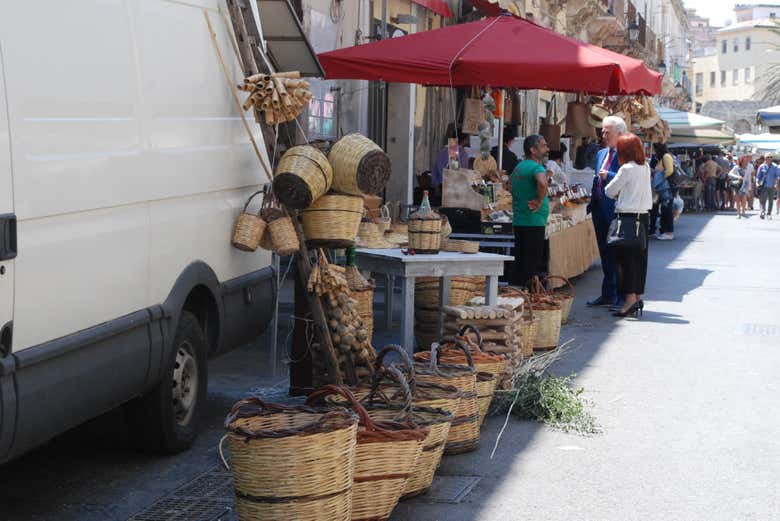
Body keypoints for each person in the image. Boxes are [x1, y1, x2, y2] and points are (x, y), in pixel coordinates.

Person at [604, 133, 652, 319]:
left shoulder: (626, 169)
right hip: (643, 217)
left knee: (625, 261)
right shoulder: (645, 167)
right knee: (639, 260)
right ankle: (636, 296)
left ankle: (629, 299)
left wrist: (620, 193)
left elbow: (609, 191)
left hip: (626, 218)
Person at [586, 116, 625, 309]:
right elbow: (597, 180)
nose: (603, 134)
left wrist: (607, 176)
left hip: (615, 210)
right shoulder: (601, 153)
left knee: (616, 255)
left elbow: (626, 179)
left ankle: (617, 294)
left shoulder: (626, 153)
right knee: (604, 254)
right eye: (602, 131)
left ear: (619, 133)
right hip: (599, 209)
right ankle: (607, 293)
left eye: (606, 131)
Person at [511, 134, 550, 288]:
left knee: (522, 260)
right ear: (533, 150)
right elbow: (542, 182)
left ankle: (520, 294)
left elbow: (509, 186)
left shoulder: (519, 167)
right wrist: (539, 200)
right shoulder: (536, 167)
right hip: (533, 221)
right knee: (532, 263)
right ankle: (530, 298)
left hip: (521, 219)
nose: (547, 149)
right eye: (543, 146)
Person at [649, 142, 675, 240]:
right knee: (663, 209)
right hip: (663, 188)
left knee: (667, 210)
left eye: (655, 149)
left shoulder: (666, 156)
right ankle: (664, 231)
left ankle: (668, 232)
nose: (654, 152)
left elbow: (669, 170)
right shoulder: (662, 158)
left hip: (666, 188)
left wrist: (659, 179)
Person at [432, 128, 470, 195]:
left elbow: (435, 172)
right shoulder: (461, 152)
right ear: (465, 140)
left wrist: (437, 188)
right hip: (454, 189)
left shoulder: (442, 151)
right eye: (467, 138)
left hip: (441, 188)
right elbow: (457, 173)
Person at [756, 153, 780, 219]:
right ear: (765, 158)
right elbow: (758, 176)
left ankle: (769, 213)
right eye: (768, 157)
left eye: (771, 157)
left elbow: (778, 176)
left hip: (772, 186)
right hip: (764, 185)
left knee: (771, 200)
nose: (769, 158)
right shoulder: (761, 166)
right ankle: (763, 211)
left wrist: (776, 183)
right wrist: (757, 183)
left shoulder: (775, 166)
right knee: (763, 200)